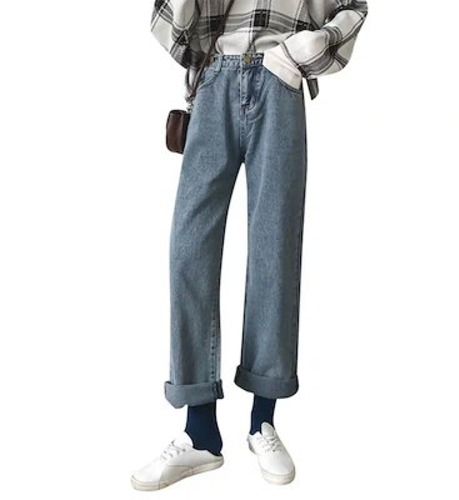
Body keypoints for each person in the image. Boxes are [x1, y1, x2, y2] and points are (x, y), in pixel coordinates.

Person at [131, 0, 369, 490]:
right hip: (214, 80)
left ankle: (263, 421)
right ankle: (200, 434)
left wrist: (302, 51)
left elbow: (353, 7)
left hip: (280, 83)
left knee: (274, 250)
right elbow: (169, 25)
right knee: (188, 251)